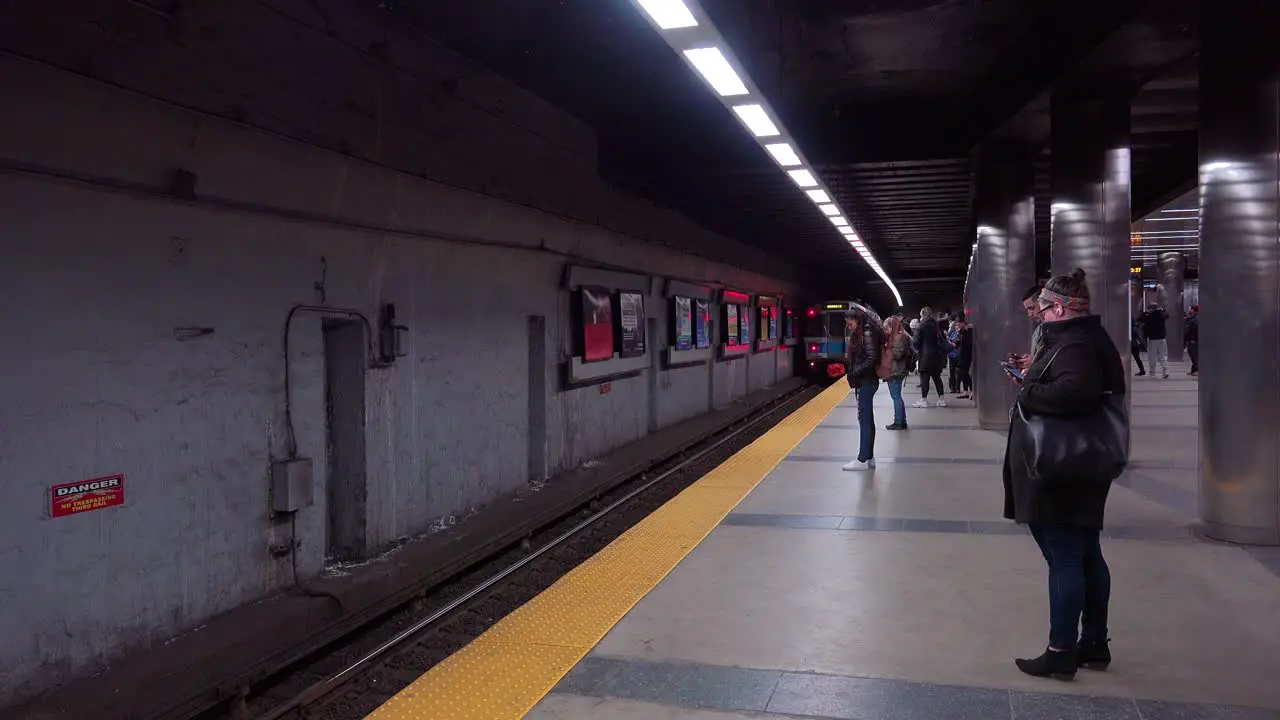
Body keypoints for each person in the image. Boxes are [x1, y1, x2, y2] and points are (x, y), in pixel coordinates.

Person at [1002, 268, 1127, 680]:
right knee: (1086, 553)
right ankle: (1093, 643)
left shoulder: (1075, 344)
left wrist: (1028, 389)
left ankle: (1061, 650)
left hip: (1066, 467)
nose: (1037, 315)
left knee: (1065, 556)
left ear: (1058, 308)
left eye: (1041, 308)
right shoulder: (1081, 339)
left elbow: (1076, 392)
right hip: (1077, 462)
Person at [843, 306, 883, 471]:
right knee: (867, 419)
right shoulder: (866, 331)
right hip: (867, 381)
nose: (849, 327)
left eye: (850, 323)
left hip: (867, 380)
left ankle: (862, 459)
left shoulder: (866, 332)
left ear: (857, 321)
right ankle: (870, 457)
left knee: (864, 419)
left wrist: (855, 372)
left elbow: (872, 358)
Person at [912, 307, 947, 408]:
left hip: (925, 357)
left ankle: (924, 400)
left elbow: (916, 343)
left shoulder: (920, 326)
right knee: (937, 378)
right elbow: (940, 340)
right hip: (936, 356)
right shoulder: (936, 325)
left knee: (924, 379)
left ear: (922, 315)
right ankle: (941, 399)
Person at [882, 315, 913, 430]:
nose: (886, 330)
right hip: (897, 369)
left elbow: (898, 354)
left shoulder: (897, 338)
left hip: (896, 370)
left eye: (887, 328)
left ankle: (898, 422)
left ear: (893, 326)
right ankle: (902, 421)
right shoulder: (898, 336)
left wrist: (886, 350)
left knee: (896, 396)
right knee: (897, 396)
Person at [1139, 304, 1169, 378]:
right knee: (1161, 356)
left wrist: (1146, 312)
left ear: (1151, 309)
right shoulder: (1162, 315)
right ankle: (1166, 371)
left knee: (1151, 356)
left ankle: (1152, 372)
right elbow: (1167, 315)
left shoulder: (1149, 316)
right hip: (1162, 338)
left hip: (1153, 339)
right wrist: (1162, 310)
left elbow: (1140, 319)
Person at [954, 318, 974, 399]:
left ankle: (971, 390)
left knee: (964, 372)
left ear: (963, 323)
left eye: (959, 323)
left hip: (966, 355)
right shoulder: (963, 332)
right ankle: (966, 390)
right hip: (962, 354)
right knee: (962, 372)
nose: (957, 325)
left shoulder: (968, 332)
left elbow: (968, 344)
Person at [1185, 305, 1199, 376]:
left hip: (1194, 340)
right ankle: (1194, 369)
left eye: (1190, 309)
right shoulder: (1192, 318)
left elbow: (1195, 329)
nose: (1188, 310)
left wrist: (1193, 337)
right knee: (1192, 355)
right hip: (1191, 339)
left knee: (1195, 355)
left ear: (1194, 310)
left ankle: (1198, 370)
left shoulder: (1196, 319)